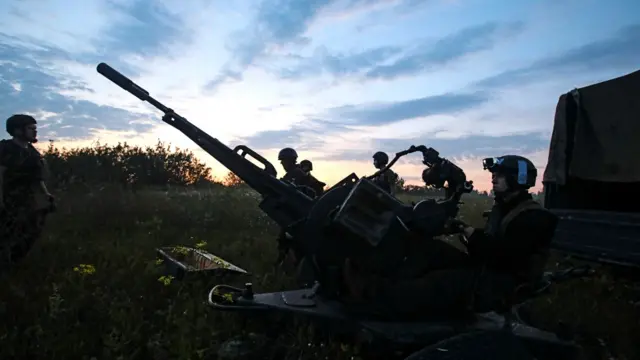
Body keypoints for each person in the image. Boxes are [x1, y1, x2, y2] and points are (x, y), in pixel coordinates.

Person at [341, 155, 558, 320]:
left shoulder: (533, 217)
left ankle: (374, 296)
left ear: (518, 179)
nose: (494, 178)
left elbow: (507, 258)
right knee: (430, 250)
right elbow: (492, 248)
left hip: (505, 284)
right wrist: (467, 233)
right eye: (494, 174)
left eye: (500, 175)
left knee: (438, 283)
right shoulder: (504, 208)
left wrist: (474, 237)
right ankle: (386, 277)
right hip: (487, 268)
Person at [1, 114, 54, 269]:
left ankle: (12, 264)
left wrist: (46, 194)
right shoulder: (5, 148)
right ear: (17, 131)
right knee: (6, 234)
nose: (34, 132)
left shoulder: (32, 152)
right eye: (30, 129)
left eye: (35, 129)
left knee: (30, 232)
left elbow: (37, 178)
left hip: (27, 199)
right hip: (8, 197)